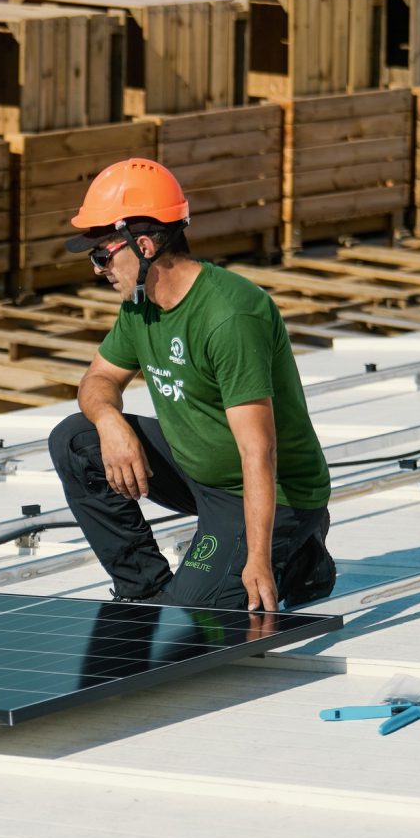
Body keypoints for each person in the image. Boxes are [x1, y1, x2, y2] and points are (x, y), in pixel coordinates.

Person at [48, 158, 335, 625]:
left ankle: (297, 559)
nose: (98, 270)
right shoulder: (141, 306)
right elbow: (97, 381)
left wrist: (257, 561)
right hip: (197, 471)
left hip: (270, 492)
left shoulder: (229, 317)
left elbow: (257, 450)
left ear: (143, 245)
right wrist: (109, 421)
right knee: (75, 440)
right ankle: (143, 590)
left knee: (197, 618)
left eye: (102, 254)